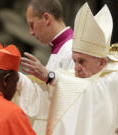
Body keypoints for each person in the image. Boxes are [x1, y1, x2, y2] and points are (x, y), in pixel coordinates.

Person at [21, 3, 118, 135]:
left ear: (102, 63)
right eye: (74, 61)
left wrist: (51, 77)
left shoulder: (116, 77)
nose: (76, 69)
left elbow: (87, 88)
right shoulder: (88, 75)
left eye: (82, 62)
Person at [15, 0, 75, 134]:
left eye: (32, 24)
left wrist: (49, 76)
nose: (30, 32)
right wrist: (18, 79)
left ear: (47, 18)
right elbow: (48, 96)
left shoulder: (72, 49)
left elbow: (77, 91)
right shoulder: (59, 49)